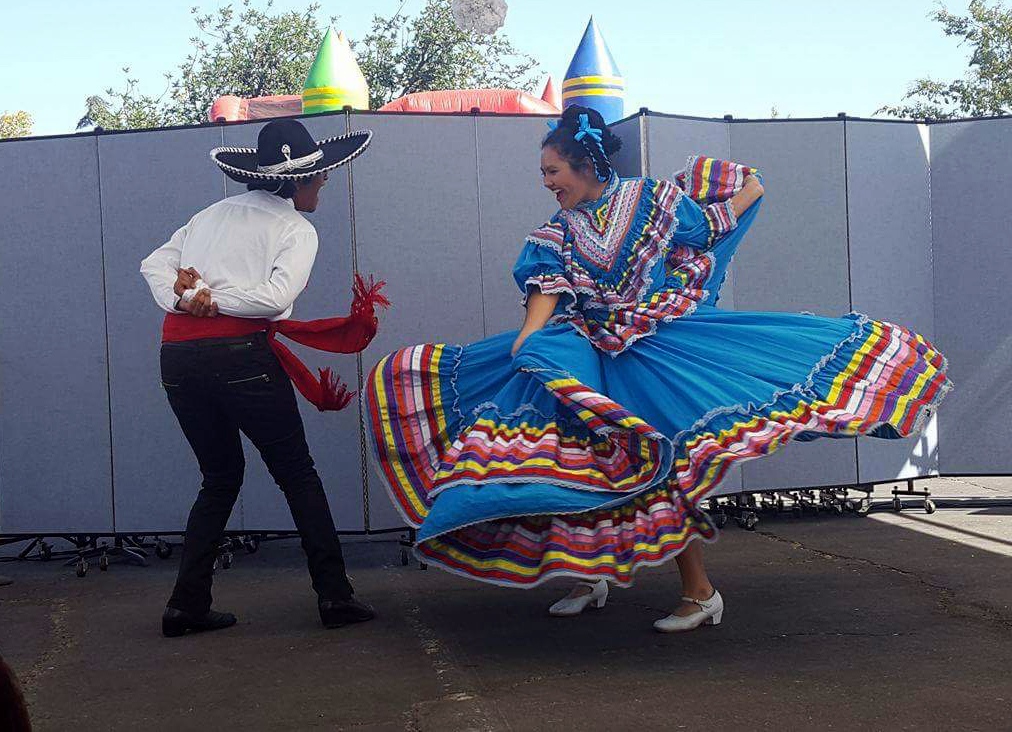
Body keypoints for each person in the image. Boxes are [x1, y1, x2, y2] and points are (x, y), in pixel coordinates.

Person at [364, 105, 951, 632]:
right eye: (544, 174)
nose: (547, 184)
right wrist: (526, 345)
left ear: (586, 164)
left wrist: (748, 191)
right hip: (588, 355)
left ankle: (700, 593)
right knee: (582, 467)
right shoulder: (555, 232)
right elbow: (545, 288)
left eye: (552, 172)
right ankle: (589, 575)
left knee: (659, 463)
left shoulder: (652, 200)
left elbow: (707, 230)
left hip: (655, 350)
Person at [141, 119, 388, 637]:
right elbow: (275, 299)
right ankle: (335, 597)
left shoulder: (207, 216)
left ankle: (186, 605)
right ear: (296, 182)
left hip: (179, 359)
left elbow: (153, 266)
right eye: (318, 177)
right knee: (297, 472)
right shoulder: (296, 228)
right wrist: (212, 303)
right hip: (240, 358)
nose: (323, 184)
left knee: (219, 477)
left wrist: (189, 299)